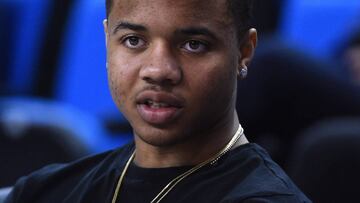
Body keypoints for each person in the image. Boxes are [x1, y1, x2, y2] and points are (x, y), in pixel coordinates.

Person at [5, 0, 311, 202]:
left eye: (194, 45)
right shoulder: (47, 191)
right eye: (134, 41)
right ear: (107, 41)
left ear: (244, 52)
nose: (158, 71)